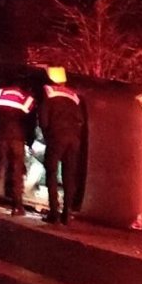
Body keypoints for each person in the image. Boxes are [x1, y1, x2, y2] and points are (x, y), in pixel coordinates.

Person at [39, 66, 84, 225]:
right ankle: (67, 214)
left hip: (57, 137)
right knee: (69, 176)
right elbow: (80, 120)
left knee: (51, 172)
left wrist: (47, 135)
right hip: (74, 140)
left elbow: (43, 119)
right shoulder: (74, 96)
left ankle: (54, 213)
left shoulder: (48, 92)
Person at [0, 83, 36, 216]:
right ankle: (17, 206)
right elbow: (31, 123)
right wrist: (29, 142)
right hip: (17, 138)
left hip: (0, 136)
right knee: (17, 172)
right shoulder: (27, 99)